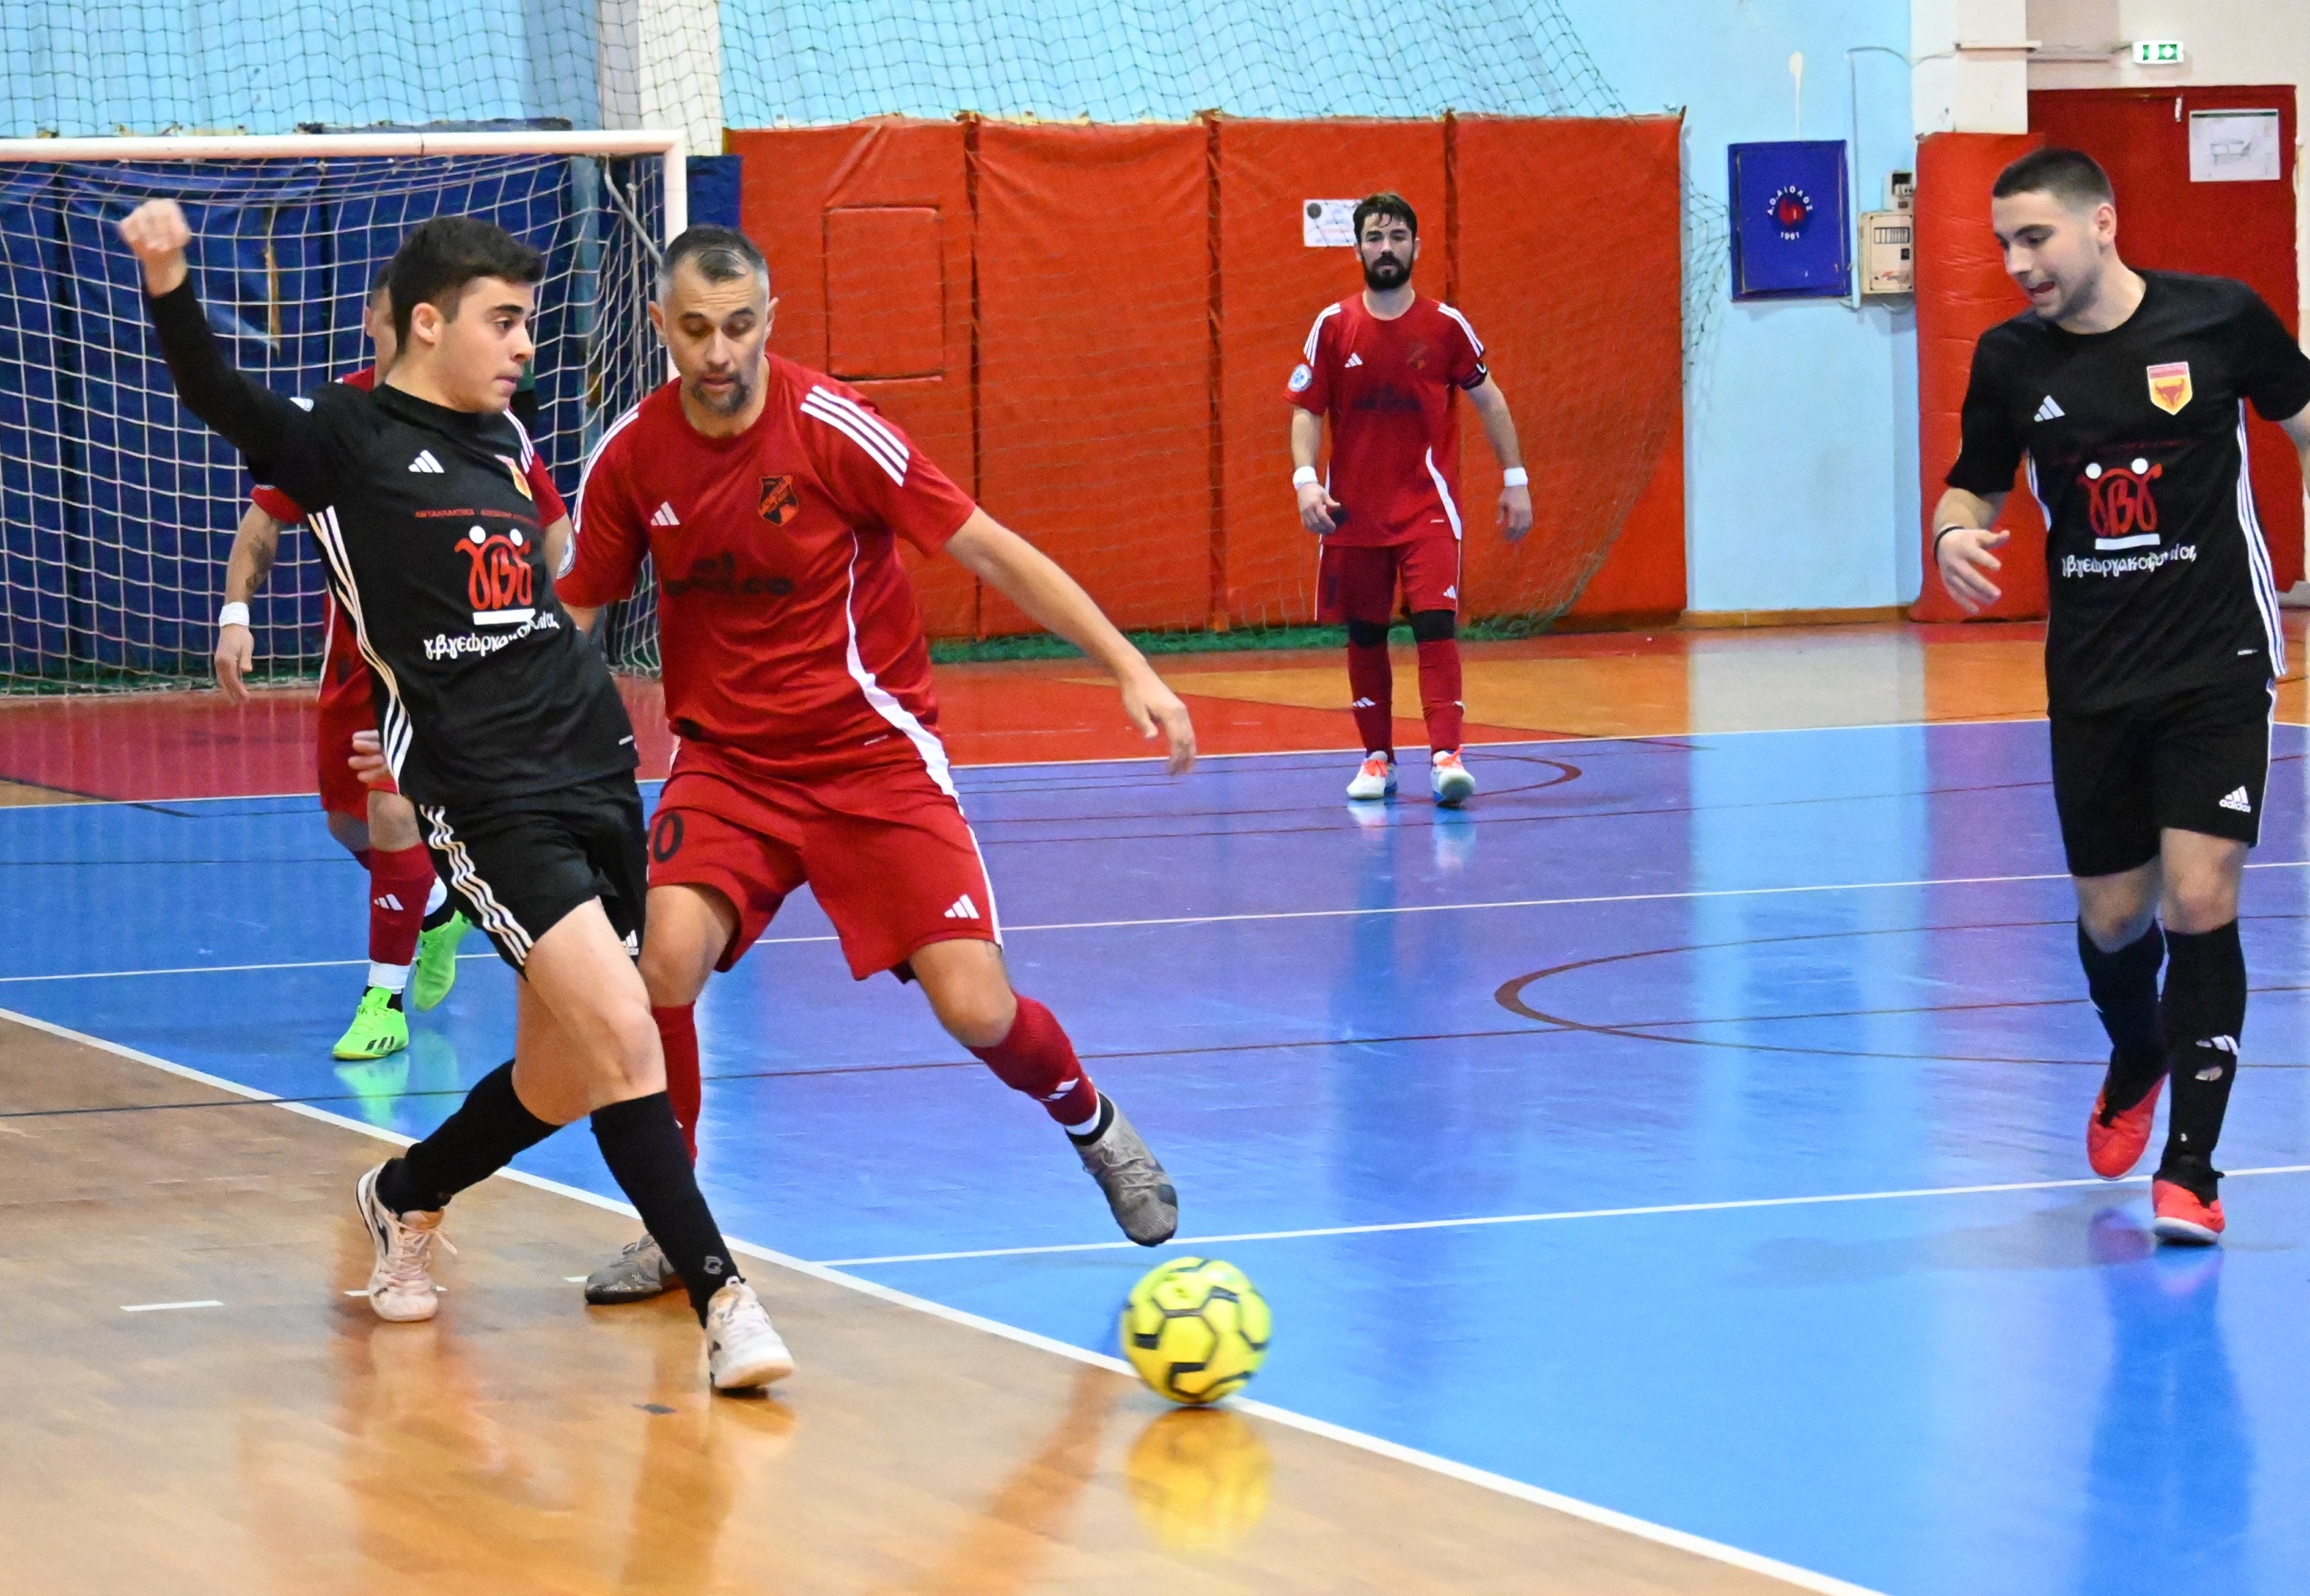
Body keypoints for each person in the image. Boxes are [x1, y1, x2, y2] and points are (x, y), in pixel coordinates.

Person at [122, 198, 793, 1390]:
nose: (524, 343)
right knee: (627, 1032)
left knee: (564, 1072)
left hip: (593, 766)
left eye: (529, 322)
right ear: (428, 324)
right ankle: (725, 1301)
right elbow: (218, 394)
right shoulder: (343, 438)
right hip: (486, 795)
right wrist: (170, 278)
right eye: (504, 320)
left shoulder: (503, 437)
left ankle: (404, 1191)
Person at [553, 226, 1197, 1305]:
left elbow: (989, 547)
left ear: (771, 318)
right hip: (728, 766)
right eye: (696, 329)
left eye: (740, 326)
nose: (720, 352)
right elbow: (575, 613)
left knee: (975, 1008)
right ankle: (675, 1225)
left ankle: (1093, 1123)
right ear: (660, 325)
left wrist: (1128, 665)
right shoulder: (631, 455)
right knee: (662, 963)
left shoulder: (834, 428)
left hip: (870, 759)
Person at [1934, 147, 2310, 1244]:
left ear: (2099, 222)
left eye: (2034, 237)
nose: (2017, 264)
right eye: (2003, 244)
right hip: (2095, 675)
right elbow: (1973, 483)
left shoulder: (2219, 318)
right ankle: (2137, 1047)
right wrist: (1952, 534)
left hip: (2216, 660)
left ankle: (2191, 1166)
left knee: (2198, 895)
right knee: (2113, 917)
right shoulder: (2009, 360)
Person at [217, 272, 568, 1062]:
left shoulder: (486, 421)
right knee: (348, 821)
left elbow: (554, 525)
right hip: (356, 660)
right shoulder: (332, 421)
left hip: (451, 663)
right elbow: (261, 525)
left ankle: (384, 998)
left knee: (394, 810)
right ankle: (439, 907)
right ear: (374, 320)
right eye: (387, 320)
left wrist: (550, 621)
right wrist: (236, 614)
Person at [1288, 191, 1533, 807]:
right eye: (1375, 237)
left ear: (1416, 247)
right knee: (1365, 634)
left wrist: (1515, 479)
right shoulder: (1333, 325)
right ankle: (1377, 759)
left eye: (1397, 236)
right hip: (1353, 514)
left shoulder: (1446, 326)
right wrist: (1305, 480)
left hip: (1428, 508)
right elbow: (1306, 409)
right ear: (1358, 248)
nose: (1386, 247)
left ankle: (1447, 756)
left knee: (1434, 624)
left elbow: (1490, 400)